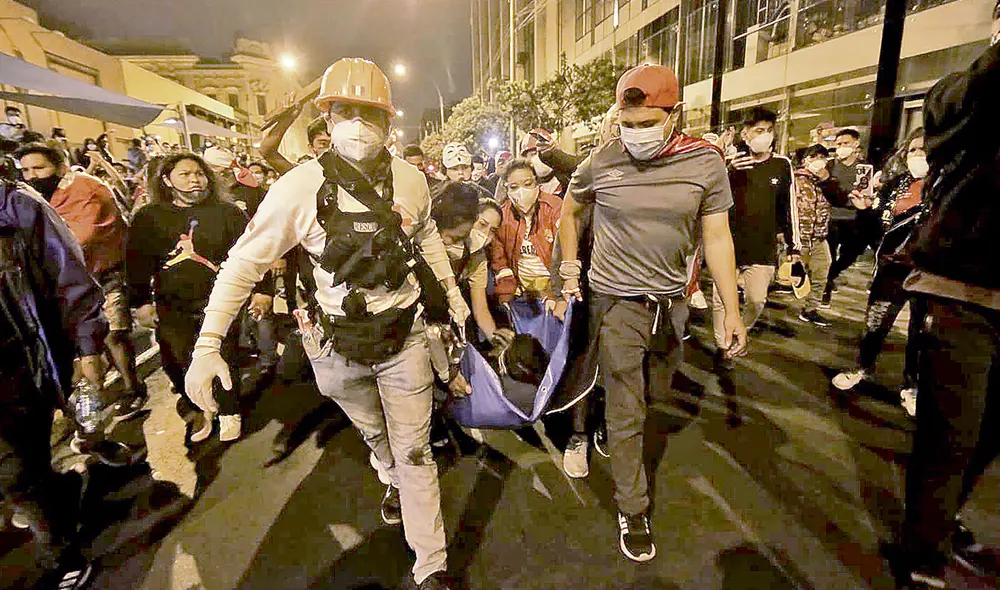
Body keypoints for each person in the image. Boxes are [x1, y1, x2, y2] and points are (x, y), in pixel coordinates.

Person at [184, 57, 468, 590]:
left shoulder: (411, 180)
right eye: (345, 112)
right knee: (376, 434)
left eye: (370, 113)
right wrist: (207, 345)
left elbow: (427, 234)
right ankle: (389, 475)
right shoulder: (298, 188)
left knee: (415, 449)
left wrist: (452, 296)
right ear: (328, 117)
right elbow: (242, 264)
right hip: (336, 344)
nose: (358, 125)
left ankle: (431, 563)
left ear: (388, 120)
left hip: (403, 336)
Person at [558, 63, 746, 563]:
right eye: (628, 123)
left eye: (647, 123)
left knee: (655, 394)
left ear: (675, 114)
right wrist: (571, 265)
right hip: (616, 303)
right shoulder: (602, 160)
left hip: (671, 304)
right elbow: (570, 211)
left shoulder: (705, 163)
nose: (635, 133)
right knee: (628, 408)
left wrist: (731, 309)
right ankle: (633, 507)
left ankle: (608, 420)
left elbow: (717, 236)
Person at [887, 8, 1000, 586]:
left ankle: (943, 520)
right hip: (961, 292)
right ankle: (923, 552)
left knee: (988, 433)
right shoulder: (964, 90)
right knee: (951, 436)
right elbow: (949, 111)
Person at [1, 177, 107, 589]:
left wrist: (87, 348)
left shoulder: (16, 207)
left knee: (16, 472)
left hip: (18, 369)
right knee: (23, 472)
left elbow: (70, 279)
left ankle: (61, 554)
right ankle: (64, 491)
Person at [126, 153, 255, 443]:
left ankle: (229, 410)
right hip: (173, 305)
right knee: (178, 360)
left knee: (224, 355)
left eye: (199, 173)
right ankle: (202, 408)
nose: (194, 180)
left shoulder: (229, 213)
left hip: (222, 301)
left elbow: (251, 253)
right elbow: (136, 262)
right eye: (184, 174)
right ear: (166, 180)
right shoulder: (148, 217)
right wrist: (140, 302)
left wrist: (262, 291)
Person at [15, 143, 144, 417]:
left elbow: (84, 236)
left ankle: (132, 389)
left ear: (60, 166)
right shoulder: (32, 199)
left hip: (105, 275)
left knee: (113, 335)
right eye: (25, 170)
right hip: (66, 285)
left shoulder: (85, 189)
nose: (32, 175)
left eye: (39, 168)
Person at [832, 129, 929, 417]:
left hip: (928, 273)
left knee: (921, 333)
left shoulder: (947, 186)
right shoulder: (896, 184)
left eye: (924, 149)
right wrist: (865, 210)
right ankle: (863, 368)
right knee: (876, 324)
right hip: (891, 267)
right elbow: (876, 229)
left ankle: (912, 386)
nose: (918, 155)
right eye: (913, 150)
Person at [716, 107, 799, 348]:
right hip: (727, 243)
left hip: (763, 246)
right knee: (721, 299)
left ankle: (740, 330)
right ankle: (724, 345)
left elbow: (789, 205)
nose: (765, 135)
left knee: (756, 299)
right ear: (745, 134)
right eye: (759, 130)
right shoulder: (730, 164)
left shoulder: (782, 165)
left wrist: (794, 244)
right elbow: (713, 199)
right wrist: (728, 171)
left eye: (769, 130)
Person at [431, 183, 504, 341]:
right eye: (482, 224)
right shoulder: (427, 247)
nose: (484, 235)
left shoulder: (476, 257)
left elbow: (481, 310)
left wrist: (497, 340)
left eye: (492, 230)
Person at [488, 159, 562, 309]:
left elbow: (565, 252)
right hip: (521, 295)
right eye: (514, 187)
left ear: (537, 183)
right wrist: (506, 293)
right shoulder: (502, 215)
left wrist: (556, 295)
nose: (522, 191)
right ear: (506, 189)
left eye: (528, 184)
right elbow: (499, 259)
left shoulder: (554, 207)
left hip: (554, 290)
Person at [821, 128, 881, 307]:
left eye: (845, 143)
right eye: (838, 144)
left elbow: (869, 192)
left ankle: (832, 275)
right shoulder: (830, 167)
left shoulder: (865, 168)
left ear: (856, 144)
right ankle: (825, 289)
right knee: (829, 256)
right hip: (832, 218)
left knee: (851, 254)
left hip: (855, 219)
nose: (841, 147)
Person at [791, 144, 834, 325]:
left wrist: (827, 180)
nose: (819, 161)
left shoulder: (827, 182)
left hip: (819, 237)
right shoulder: (793, 179)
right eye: (814, 156)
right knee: (783, 276)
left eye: (822, 157)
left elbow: (840, 197)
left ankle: (811, 309)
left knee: (821, 272)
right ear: (804, 160)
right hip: (797, 237)